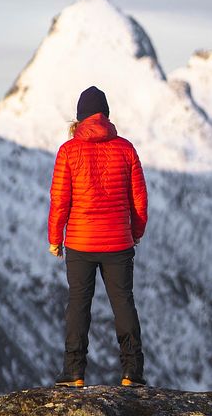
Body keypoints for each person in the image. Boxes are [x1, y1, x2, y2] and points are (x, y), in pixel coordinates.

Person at [48, 85, 148, 388]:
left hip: (79, 243)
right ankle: (132, 373)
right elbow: (139, 199)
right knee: (123, 304)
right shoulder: (125, 148)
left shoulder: (68, 151)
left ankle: (74, 373)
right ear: (106, 115)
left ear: (79, 118)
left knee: (78, 305)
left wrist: (55, 238)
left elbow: (60, 200)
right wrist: (135, 232)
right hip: (118, 242)